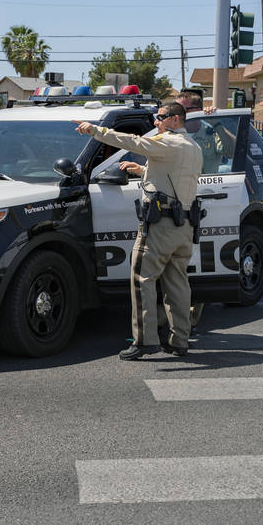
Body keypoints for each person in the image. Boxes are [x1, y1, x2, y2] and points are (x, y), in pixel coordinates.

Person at [72, 102, 204, 360]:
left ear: (175, 119)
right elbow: (175, 175)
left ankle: (145, 340)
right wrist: (142, 170)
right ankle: (180, 340)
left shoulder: (168, 142)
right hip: (184, 226)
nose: (156, 122)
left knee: (142, 279)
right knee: (177, 283)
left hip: (160, 227)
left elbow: (133, 142)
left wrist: (95, 131)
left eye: (161, 117)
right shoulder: (193, 147)